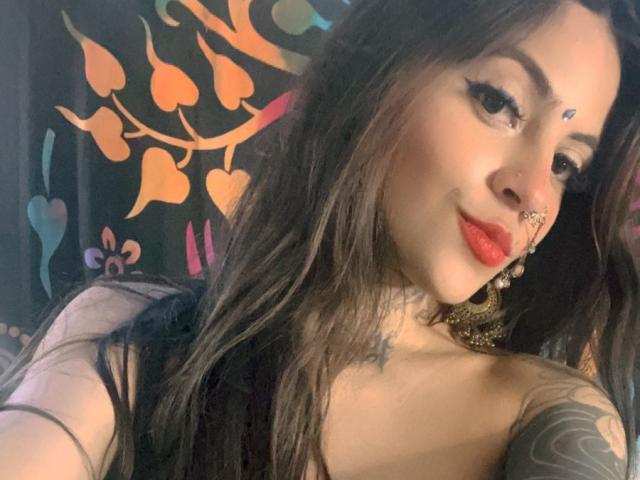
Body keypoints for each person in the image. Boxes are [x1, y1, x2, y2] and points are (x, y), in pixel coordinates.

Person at [1, 0, 640, 478]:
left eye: (566, 164)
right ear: (376, 75)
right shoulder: (126, 335)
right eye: (499, 102)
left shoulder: (549, 418)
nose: (533, 191)